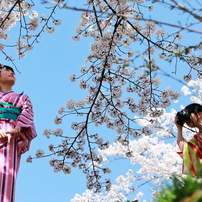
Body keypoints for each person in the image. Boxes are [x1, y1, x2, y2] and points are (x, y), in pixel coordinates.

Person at [0, 64, 37, 202]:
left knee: (7, 175)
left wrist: (19, 127)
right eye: (6, 71)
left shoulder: (22, 98)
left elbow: (27, 111)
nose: (11, 73)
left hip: (11, 135)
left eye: (12, 71)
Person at [175, 103, 202, 177]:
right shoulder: (198, 139)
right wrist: (179, 128)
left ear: (200, 114)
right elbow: (185, 152)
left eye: (189, 114)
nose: (187, 120)